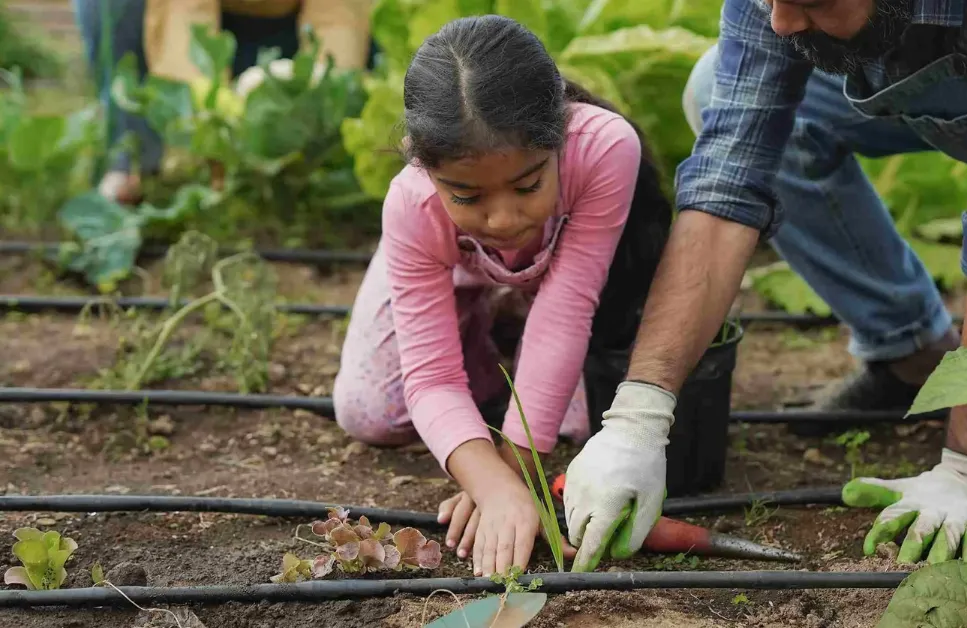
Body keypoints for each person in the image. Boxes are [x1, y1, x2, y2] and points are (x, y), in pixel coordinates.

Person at [563, 0, 967, 572]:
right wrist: (637, 418)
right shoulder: (785, 7)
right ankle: (913, 354)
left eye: (808, 1)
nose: (780, 21)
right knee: (715, 92)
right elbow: (729, 176)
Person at [331, 15, 672, 578]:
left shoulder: (605, 148)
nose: (504, 217)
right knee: (370, 412)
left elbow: (565, 314)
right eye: (466, 194)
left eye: (528, 185)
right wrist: (487, 482)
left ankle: (507, 348)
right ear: (424, 165)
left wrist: (513, 474)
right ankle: (491, 355)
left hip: (562, 284)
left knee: (588, 425)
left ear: (557, 136)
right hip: (457, 270)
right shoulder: (412, 205)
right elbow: (433, 377)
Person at [73, 0, 373, 204]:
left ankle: (349, 165)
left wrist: (326, 91)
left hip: (288, 28)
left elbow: (339, 18)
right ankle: (136, 161)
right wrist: (206, 122)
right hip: (212, 27)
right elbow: (185, 19)